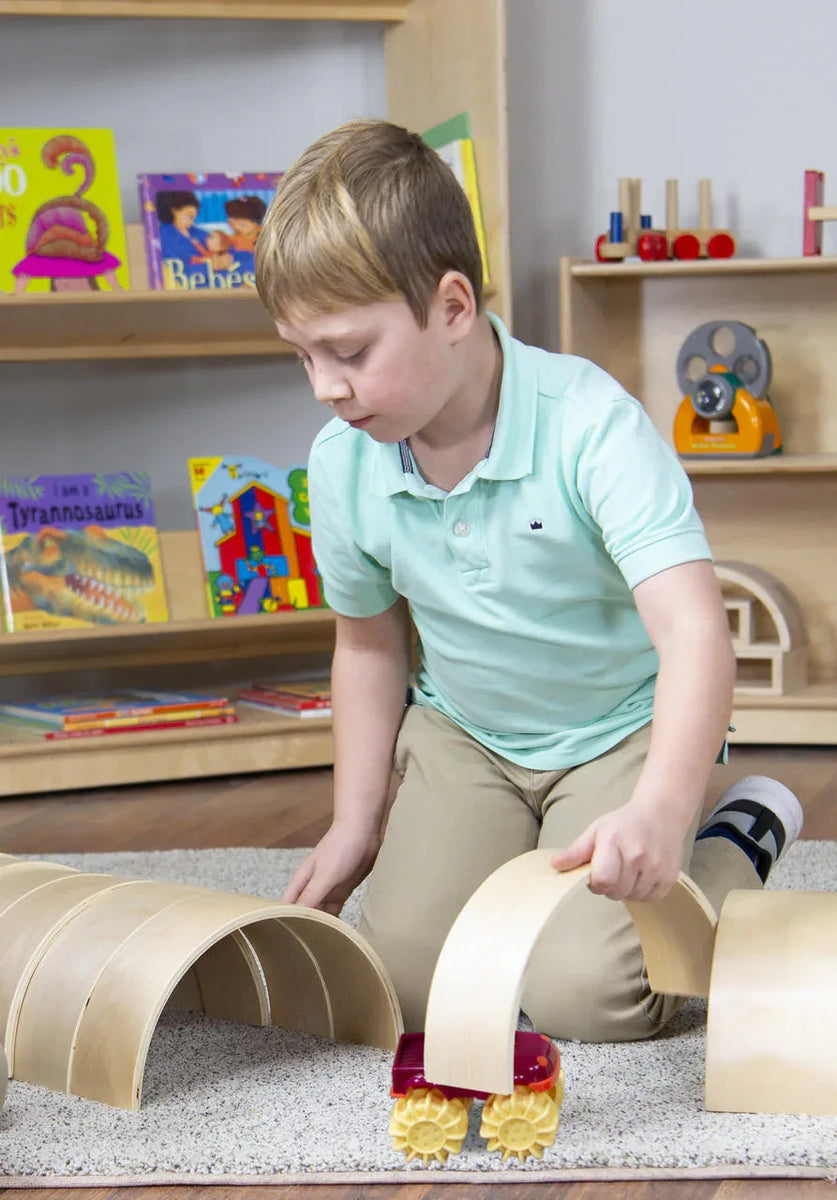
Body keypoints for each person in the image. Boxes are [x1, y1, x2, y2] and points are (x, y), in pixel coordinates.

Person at [255, 118, 804, 1041]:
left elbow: (694, 634)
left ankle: (736, 838)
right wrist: (357, 823)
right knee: (399, 992)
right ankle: (515, 860)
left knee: (593, 998)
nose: (325, 387)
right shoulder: (344, 461)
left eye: (349, 353)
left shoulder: (593, 427)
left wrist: (663, 809)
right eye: (302, 356)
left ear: (455, 307)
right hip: (469, 738)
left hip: (618, 736)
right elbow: (367, 643)